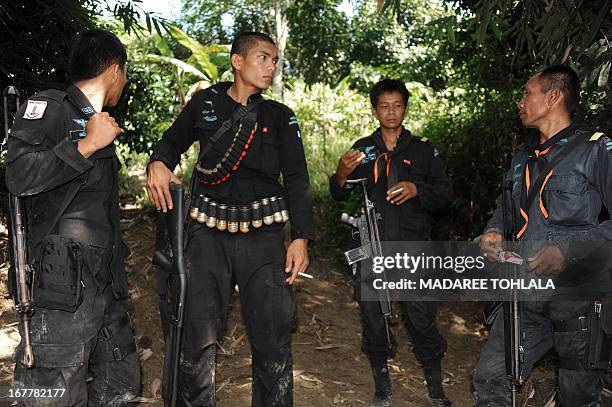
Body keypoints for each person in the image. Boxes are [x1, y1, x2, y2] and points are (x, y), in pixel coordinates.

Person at [146, 32, 314, 406]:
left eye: (274, 60)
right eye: (263, 57)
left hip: (264, 236)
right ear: (238, 61)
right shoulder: (204, 103)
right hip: (207, 233)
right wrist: (158, 162)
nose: (271, 66)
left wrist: (301, 236)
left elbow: (298, 179)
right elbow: (173, 141)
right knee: (197, 339)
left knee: (272, 339)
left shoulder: (280, 117)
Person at [6, 29, 140, 405]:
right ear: (115, 71)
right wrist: (86, 145)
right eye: (124, 74)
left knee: (121, 386)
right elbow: (18, 175)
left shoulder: (97, 120)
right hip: (59, 287)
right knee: (52, 394)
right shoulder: (52, 108)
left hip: (103, 286)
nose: (123, 83)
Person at [474, 65, 612, 406]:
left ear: (553, 97)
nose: (520, 102)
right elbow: (505, 206)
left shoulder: (596, 150)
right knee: (490, 376)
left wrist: (568, 250)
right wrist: (493, 230)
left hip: (579, 297)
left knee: (577, 395)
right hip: (527, 293)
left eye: (526, 93)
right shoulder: (523, 156)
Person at [329, 79, 453, 407]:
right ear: (374, 110)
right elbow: (338, 193)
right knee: (373, 316)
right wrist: (341, 173)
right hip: (373, 247)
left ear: (406, 108)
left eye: (397, 105)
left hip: (413, 247)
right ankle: (382, 388)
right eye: (384, 106)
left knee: (421, 315)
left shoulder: (424, 150)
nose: (391, 111)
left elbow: (445, 194)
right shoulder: (363, 149)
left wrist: (418, 190)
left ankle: (435, 388)